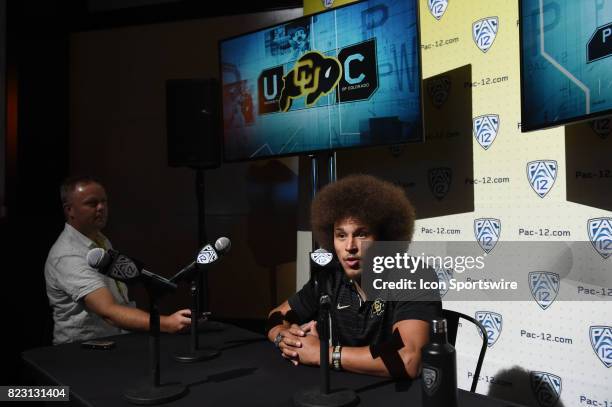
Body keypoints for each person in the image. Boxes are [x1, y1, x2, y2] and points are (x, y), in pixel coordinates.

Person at [267, 174, 441, 378]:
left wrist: (323, 354)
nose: (350, 247)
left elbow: (407, 359)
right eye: (341, 235)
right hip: (349, 389)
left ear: (384, 238)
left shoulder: (413, 275)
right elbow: (276, 315)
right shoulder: (330, 277)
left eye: (361, 234)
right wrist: (284, 337)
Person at [45, 175, 191, 345]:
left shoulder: (100, 240)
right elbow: (109, 311)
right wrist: (166, 323)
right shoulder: (68, 255)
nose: (101, 208)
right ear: (69, 210)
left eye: (104, 202)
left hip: (113, 342)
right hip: (81, 352)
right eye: (92, 203)